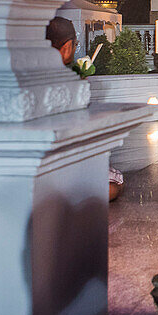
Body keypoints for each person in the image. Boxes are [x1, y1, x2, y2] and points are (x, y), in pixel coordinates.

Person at [46, 16, 125, 201]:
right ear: (66, 48)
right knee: (114, 186)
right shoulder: (65, 79)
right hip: (60, 162)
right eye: (74, 45)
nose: (74, 50)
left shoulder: (33, 73)